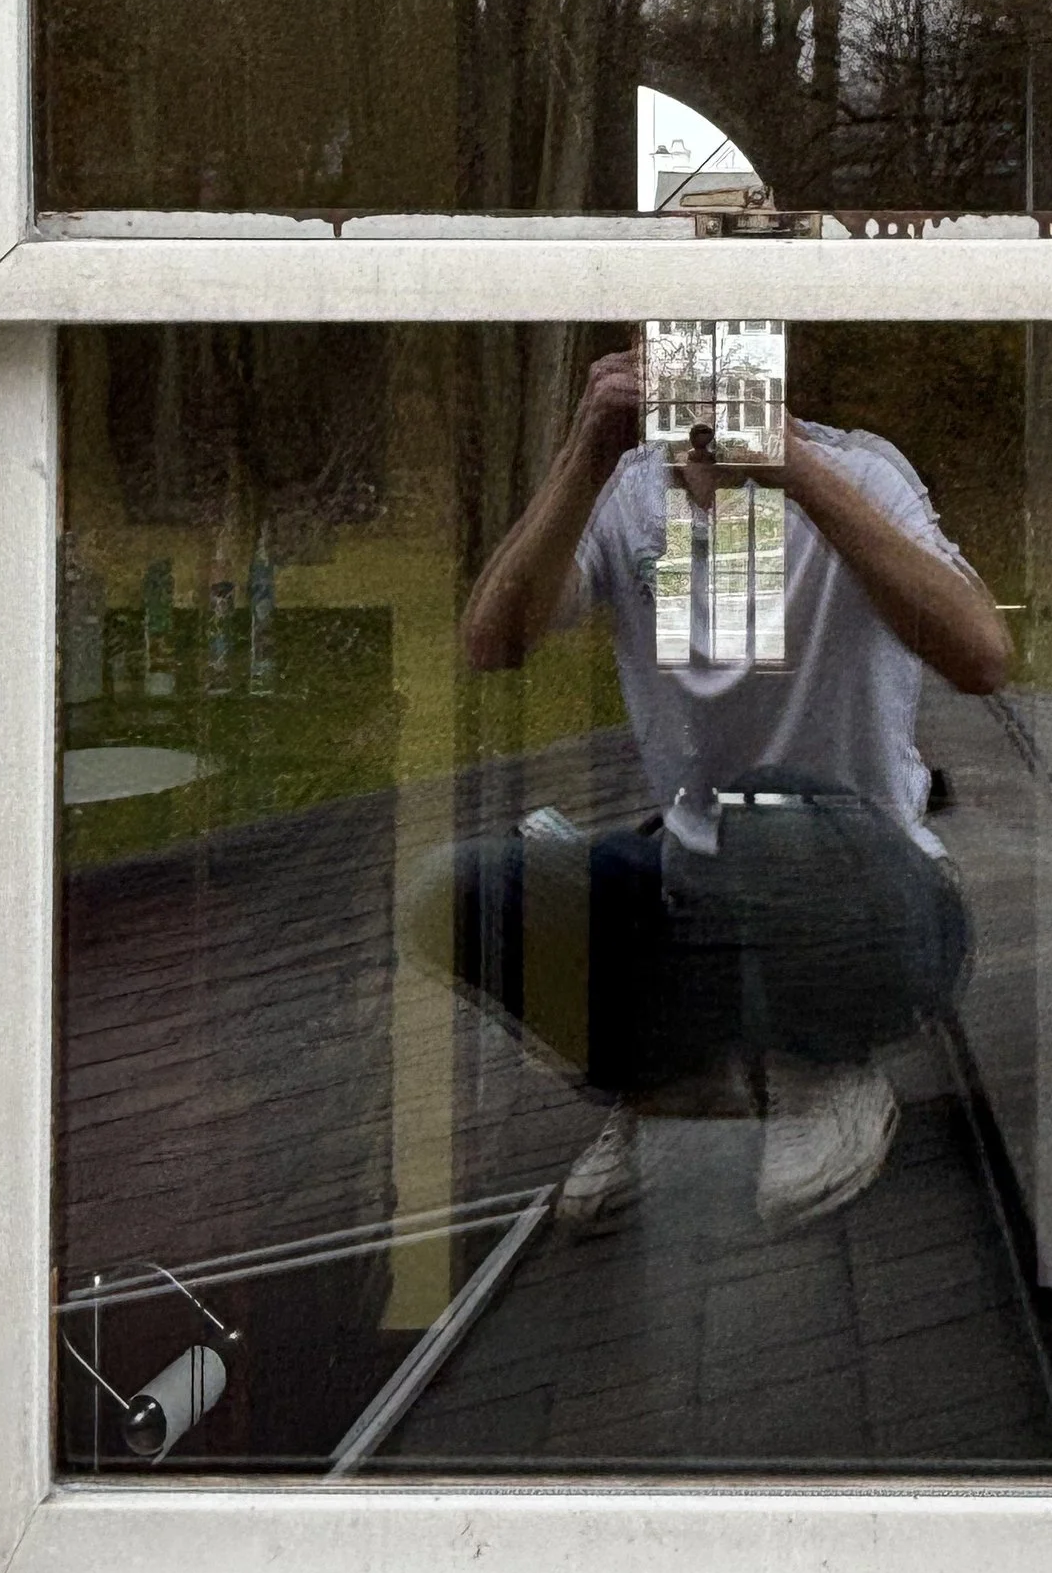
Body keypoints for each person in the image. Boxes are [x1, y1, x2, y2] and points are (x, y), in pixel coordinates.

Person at [434, 342, 1014, 1238]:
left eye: (726, 305)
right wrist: (584, 455)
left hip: (876, 902)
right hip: (700, 892)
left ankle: (827, 1068)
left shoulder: (858, 470)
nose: (701, 345)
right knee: (467, 889)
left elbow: (982, 655)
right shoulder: (627, 494)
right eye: (674, 314)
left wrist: (796, 473)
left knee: (767, 807)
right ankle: (672, 1077)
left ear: (771, 336)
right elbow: (492, 643)